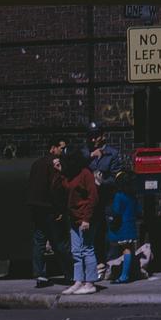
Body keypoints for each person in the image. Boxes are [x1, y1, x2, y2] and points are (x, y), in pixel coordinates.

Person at [27, 136, 73, 288]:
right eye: (61, 147)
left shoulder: (36, 164)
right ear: (52, 148)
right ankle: (70, 274)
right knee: (60, 243)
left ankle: (40, 275)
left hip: (36, 208)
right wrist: (60, 209)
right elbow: (56, 188)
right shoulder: (54, 164)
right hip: (51, 209)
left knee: (39, 241)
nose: (62, 151)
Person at [56, 147, 99, 295]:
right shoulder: (69, 175)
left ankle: (90, 282)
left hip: (84, 218)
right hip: (74, 218)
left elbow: (93, 197)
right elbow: (64, 188)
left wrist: (87, 218)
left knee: (87, 250)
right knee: (76, 251)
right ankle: (79, 281)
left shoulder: (85, 174)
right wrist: (60, 172)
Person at [82, 122, 123, 276]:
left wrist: (102, 182)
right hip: (90, 201)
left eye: (96, 136)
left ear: (102, 136)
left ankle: (110, 266)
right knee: (94, 233)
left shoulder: (112, 154)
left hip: (107, 199)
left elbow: (116, 178)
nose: (93, 140)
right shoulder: (86, 153)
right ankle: (97, 264)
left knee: (110, 231)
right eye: (90, 136)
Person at [105, 171, 139, 284]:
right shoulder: (133, 196)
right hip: (131, 225)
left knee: (126, 250)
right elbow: (139, 210)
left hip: (122, 227)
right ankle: (131, 272)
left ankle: (124, 276)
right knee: (130, 249)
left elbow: (116, 211)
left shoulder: (119, 196)